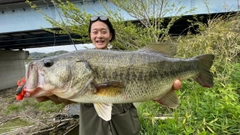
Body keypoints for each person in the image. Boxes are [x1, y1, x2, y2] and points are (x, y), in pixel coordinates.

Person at [35, 16, 182, 135]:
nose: (99, 35)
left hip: (125, 125)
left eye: (103, 31)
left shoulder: (128, 56)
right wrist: (65, 97)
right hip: (92, 128)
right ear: (90, 35)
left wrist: (160, 92)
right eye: (95, 32)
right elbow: (80, 94)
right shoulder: (79, 61)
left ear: (110, 35)